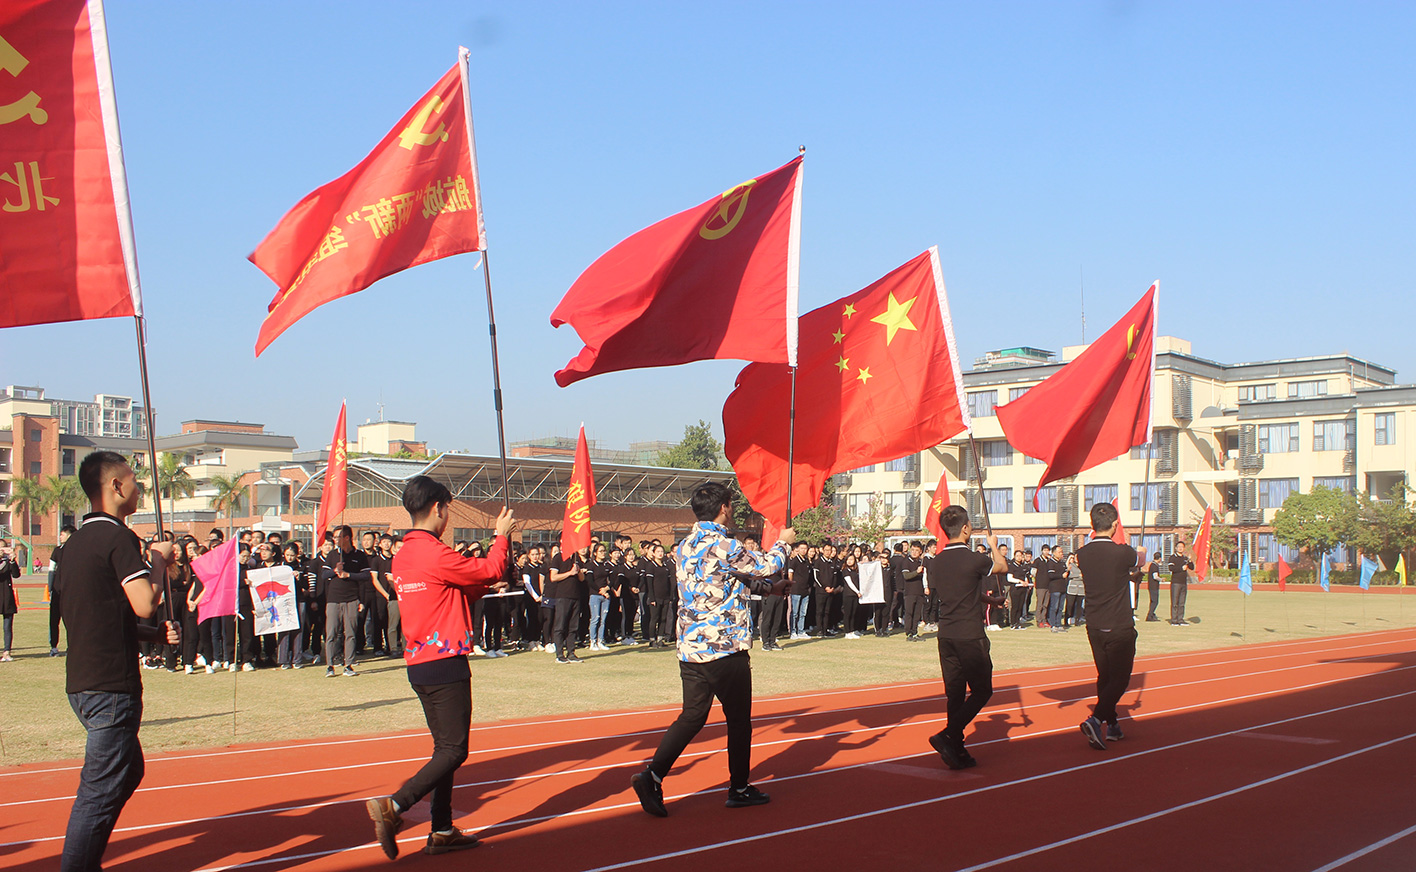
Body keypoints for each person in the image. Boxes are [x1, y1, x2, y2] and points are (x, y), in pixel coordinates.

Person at [365, 476, 514, 858]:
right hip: (445, 660)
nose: (447, 515)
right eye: (447, 508)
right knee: (454, 751)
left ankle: (442, 828)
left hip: (420, 661)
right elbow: (489, 569)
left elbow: (449, 589)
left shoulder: (405, 554)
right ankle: (395, 805)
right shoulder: (434, 551)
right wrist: (501, 536)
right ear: (437, 508)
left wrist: (484, 586)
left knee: (444, 747)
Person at [630, 481, 793, 817]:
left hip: (691, 647)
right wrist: (784, 543)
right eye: (731, 505)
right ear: (723, 508)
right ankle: (739, 788)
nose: (732, 510)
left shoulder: (685, 545)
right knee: (739, 721)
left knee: (692, 716)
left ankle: (653, 775)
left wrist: (770, 590)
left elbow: (725, 580)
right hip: (724, 646)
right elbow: (764, 565)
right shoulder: (724, 543)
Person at [59, 451, 179, 872]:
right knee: (97, 793)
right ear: (115, 486)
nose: (139, 487)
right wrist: (159, 560)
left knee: (127, 772)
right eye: (133, 480)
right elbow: (145, 603)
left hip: (83, 683)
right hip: (111, 687)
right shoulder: (119, 538)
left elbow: (102, 616)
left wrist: (151, 636)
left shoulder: (72, 545)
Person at [924, 506, 1007, 769]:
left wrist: (991, 601)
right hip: (969, 634)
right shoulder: (974, 558)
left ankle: (956, 748)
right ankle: (948, 735)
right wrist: (993, 545)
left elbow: (963, 591)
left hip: (946, 634)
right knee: (982, 690)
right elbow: (1002, 566)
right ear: (964, 528)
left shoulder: (936, 561)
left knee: (955, 694)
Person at [1076, 501, 1146, 750]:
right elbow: (1139, 560)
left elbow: (1110, 575)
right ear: (1115, 525)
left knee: (1105, 676)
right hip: (1118, 624)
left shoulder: (1082, 554)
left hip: (1094, 624)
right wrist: (1141, 551)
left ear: (1092, 524)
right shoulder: (1123, 552)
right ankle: (1096, 720)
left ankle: (1113, 724)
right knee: (1120, 679)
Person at [49, 524, 75, 656]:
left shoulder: (77, 550)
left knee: (71, 620)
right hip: (57, 591)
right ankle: (53, 646)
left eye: (62, 534)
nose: (60, 537)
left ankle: (72, 646)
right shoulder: (57, 550)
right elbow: (51, 570)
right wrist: (50, 588)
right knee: (54, 619)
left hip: (71, 591)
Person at [0, 539, 20, 661]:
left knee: (7, 626)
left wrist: (12, 560)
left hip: (6, 596)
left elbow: (16, 575)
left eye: (3, 548)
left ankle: (7, 651)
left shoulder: (8, 562)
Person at [1169, 540, 1195, 626]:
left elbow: (1192, 567)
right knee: (1175, 602)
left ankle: (1180, 619)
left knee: (1182, 603)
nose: (1180, 548)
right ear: (1176, 548)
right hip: (1176, 583)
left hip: (1183, 583)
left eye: (1182, 547)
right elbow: (1171, 568)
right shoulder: (1173, 557)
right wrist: (1181, 568)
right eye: (1179, 547)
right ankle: (1174, 620)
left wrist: (1190, 560)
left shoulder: (1185, 558)